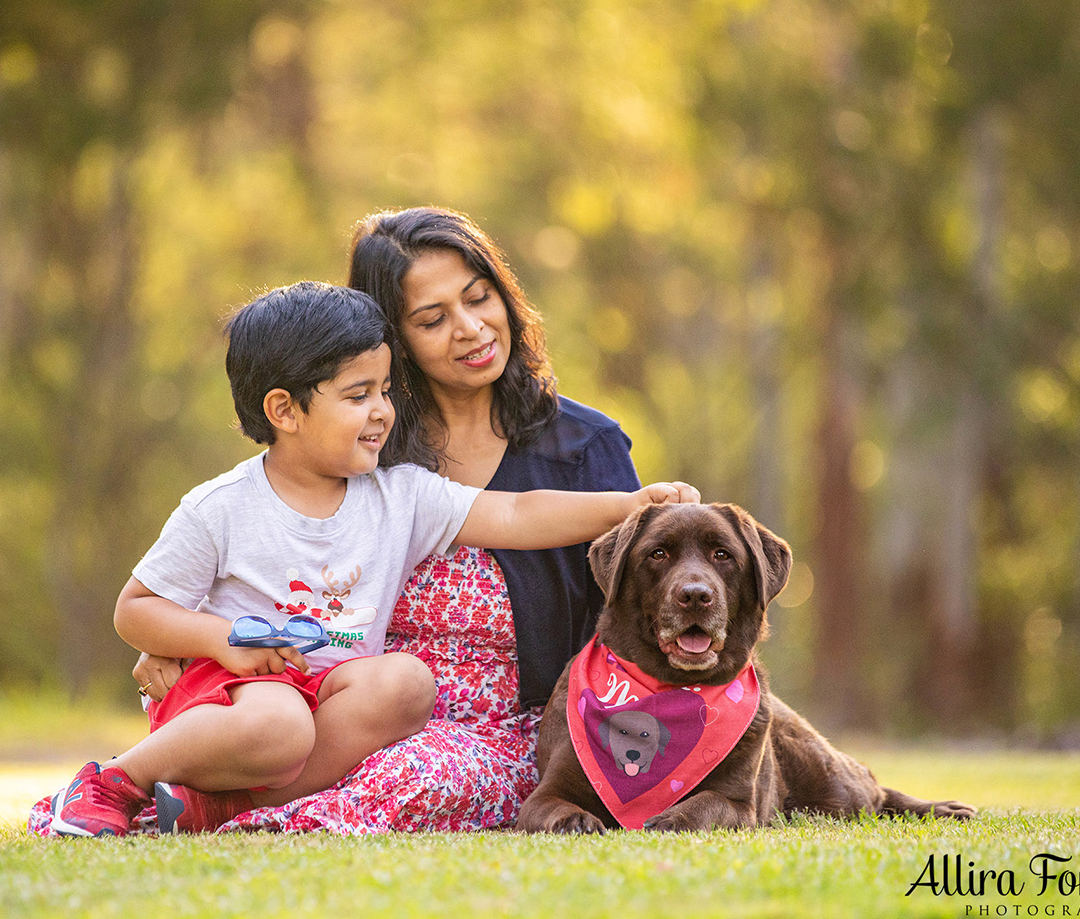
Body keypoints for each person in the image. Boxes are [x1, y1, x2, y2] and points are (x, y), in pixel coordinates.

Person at [40, 280, 694, 837]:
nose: (382, 411)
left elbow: (516, 514)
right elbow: (136, 609)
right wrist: (226, 641)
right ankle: (114, 782)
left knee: (405, 682)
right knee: (280, 722)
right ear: (284, 410)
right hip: (230, 698)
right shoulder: (223, 507)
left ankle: (214, 807)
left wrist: (628, 505)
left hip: (320, 697)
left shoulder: (400, 495)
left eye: (384, 390)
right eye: (358, 396)